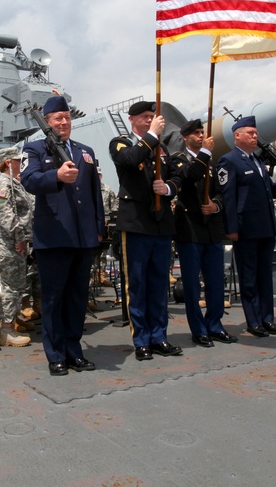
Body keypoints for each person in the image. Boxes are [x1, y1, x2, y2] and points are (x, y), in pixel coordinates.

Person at [21, 95, 105, 376]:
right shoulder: (34, 148)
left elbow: (95, 194)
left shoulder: (85, 151)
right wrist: (55, 175)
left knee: (78, 297)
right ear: (47, 122)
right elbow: (29, 180)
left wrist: (99, 229)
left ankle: (74, 351)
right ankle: (56, 354)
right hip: (54, 235)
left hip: (83, 237)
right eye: (58, 118)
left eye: (67, 117)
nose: (64, 122)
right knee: (54, 299)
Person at [110, 100, 184, 360]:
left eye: (152, 116)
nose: (149, 119)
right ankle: (141, 339)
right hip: (136, 224)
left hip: (161, 223)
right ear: (131, 120)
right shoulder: (121, 143)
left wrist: (168, 188)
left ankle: (159, 336)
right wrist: (151, 135)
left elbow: (177, 174)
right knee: (137, 284)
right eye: (144, 117)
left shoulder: (161, 148)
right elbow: (130, 161)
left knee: (159, 283)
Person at [217, 115, 276, 339]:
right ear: (237, 135)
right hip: (246, 229)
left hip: (265, 227)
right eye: (250, 133)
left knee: (265, 276)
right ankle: (253, 321)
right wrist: (231, 228)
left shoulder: (258, 162)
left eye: (255, 133)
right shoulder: (229, 161)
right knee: (249, 276)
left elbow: (269, 189)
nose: (255, 137)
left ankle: (267, 319)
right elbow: (229, 197)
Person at [169, 119, 235, 348]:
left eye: (202, 132)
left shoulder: (211, 163)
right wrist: (205, 152)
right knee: (192, 283)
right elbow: (188, 175)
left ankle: (214, 324)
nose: (200, 136)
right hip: (189, 228)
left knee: (216, 280)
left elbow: (221, 192)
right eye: (196, 133)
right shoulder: (178, 159)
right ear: (185, 137)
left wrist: (215, 205)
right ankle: (198, 329)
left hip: (211, 229)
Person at [0, 147, 33, 347]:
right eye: (17, 160)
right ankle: (6, 330)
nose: (19, 163)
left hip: (16, 241)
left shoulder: (14, 183)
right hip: (8, 242)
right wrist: (18, 236)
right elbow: (3, 213)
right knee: (9, 285)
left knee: (17, 284)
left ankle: (13, 321)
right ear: (8, 162)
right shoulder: (2, 184)